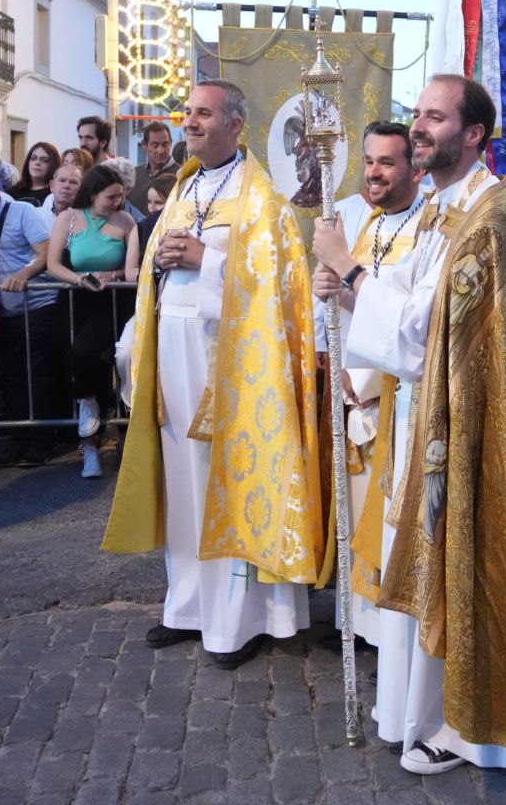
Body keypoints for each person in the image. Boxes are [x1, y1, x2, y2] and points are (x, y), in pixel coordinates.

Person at [312, 72, 506, 775]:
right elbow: (411, 294)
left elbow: (425, 334)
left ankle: (471, 727)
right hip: (429, 407)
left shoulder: (485, 218)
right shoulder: (447, 206)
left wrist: (348, 271)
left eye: (435, 117)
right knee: (421, 553)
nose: (419, 127)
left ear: (473, 134)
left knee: (462, 556)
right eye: (418, 114)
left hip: (469, 423)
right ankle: (419, 713)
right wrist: (350, 285)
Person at [104, 79, 324, 670]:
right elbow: (155, 270)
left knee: (227, 479)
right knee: (183, 478)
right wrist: (161, 268)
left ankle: (243, 620)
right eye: (188, 114)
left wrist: (208, 262)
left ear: (235, 124)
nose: (191, 123)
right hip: (172, 348)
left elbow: (283, 287)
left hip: (231, 359)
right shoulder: (183, 189)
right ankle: (188, 607)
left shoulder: (264, 201)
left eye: (204, 113)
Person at [325, 121, 429, 648]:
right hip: (351, 388)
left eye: (387, 162)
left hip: (393, 395)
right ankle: (359, 625)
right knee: (355, 512)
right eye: (368, 161)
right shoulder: (362, 221)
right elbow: (346, 302)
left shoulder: (428, 226)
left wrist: (345, 289)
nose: (374, 172)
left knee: (387, 521)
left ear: (414, 166)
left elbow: (409, 321)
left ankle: (391, 633)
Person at [0, 169, 62, 469]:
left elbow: (45, 253)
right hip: (5, 312)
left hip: (38, 307)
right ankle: (17, 442)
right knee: (11, 380)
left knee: (38, 377)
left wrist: (24, 274)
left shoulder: (22, 212)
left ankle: (41, 443)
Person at [45, 164, 135, 475]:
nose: (118, 202)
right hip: (73, 299)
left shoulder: (125, 221)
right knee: (74, 362)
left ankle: (95, 409)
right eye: (112, 197)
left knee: (88, 355)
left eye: (121, 196)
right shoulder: (66, 219)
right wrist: (78, 278)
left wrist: (112, 274)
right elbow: (53, 264)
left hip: (108, 302)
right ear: (94, 194)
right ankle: (89, 450)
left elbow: (132, 269)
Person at [132, 122, 178, 215]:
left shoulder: (181, 175)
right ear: (144, 145)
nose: (160, 151)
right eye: (155, 145)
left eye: (165, 145)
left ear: (171, 144)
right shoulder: (134, 174)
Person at [11, 142, 61, 208]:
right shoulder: (14, 191)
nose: (37, 163)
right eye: (33, 158)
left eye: (44, 160)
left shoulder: (56, 194)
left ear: (53, 165)